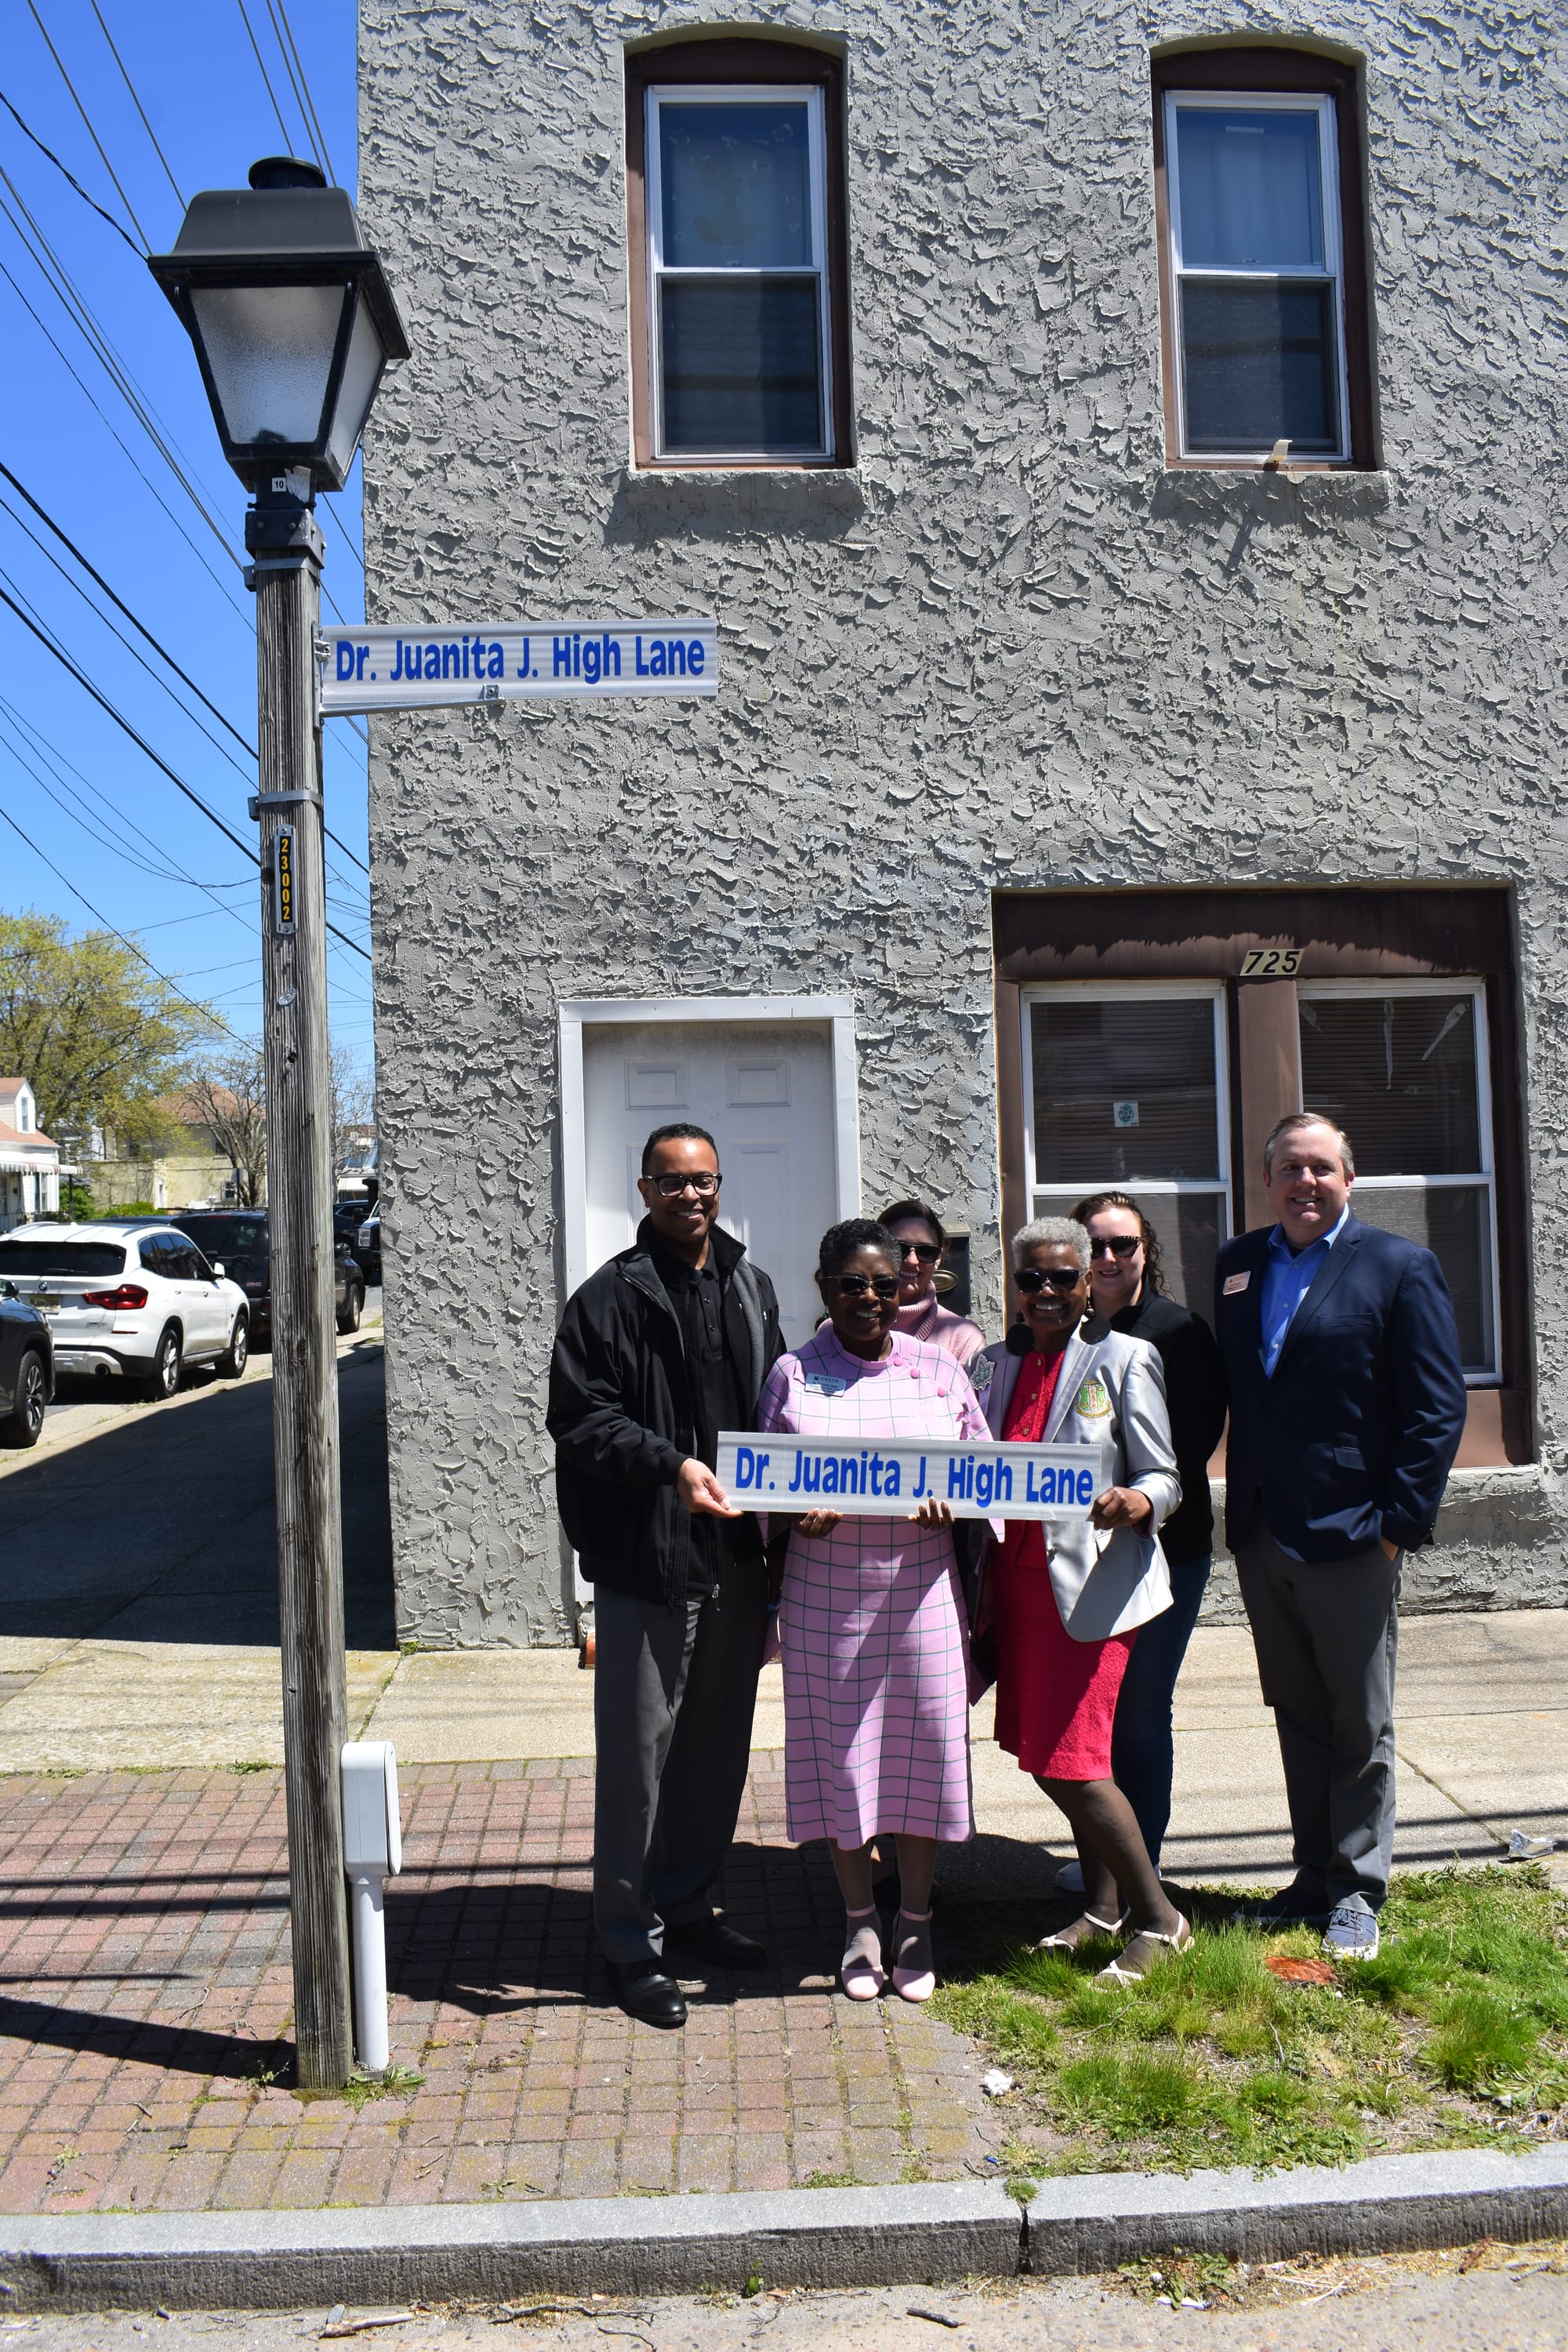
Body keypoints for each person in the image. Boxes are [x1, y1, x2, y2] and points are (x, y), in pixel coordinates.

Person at [546, 1122, 783, 2029]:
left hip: (737, 1555)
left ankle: (686, 1908)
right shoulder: (607, 1298)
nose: (692, 1196)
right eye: (672, 1182)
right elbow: (578, 1416)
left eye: (705, 1181)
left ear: (720, 1187)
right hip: (648, 1558)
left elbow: (774, 1403)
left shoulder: (751, 1285)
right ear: (644, 1191)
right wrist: (669, 1466)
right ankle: (626, 1943)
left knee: (715, 1748)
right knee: (638, 1763)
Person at [1214, 1112, 1467, 1962]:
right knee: (1295, 1713)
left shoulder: (1398, 1267)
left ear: (1348, 1179)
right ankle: (1311, 1876)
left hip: (1354, 1535)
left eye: (1320, 1168)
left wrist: (1397, 1526)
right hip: (1261, 1533)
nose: (1304, 1183)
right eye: (1288, 1168)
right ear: (1266, 1181)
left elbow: (1435, 1409)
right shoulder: (1237, 1265)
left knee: (1358, 1721)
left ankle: (1358, 1891)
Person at [756, 1218, 985, 2004]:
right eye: (851, 1284)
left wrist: (952, 1504)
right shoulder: (792, 1373)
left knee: (923, 1752)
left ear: (906, 1289)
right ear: (824, 1288)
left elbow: (982, 1475)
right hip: (826, 1604)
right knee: (842, 1761)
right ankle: (859, 1921)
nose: (868, 1299)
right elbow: (760, 1485)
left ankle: (914, 1920)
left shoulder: (936, 1372)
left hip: (919, 1596)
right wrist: (793, 1513)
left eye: (883, 1285)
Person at [973, 1218, 1190, 1983]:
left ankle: (1159, 1920)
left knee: (1074, 1762)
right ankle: (1101, 1911)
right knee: (1046, 1756)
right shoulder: (991, 1366)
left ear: (1084, 1281)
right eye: (1030, 1278)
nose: (1045, 1292)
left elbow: (1166, 1474)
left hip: (1092, 1593)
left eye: (1061, 1277)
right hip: (1019, 1592)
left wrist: (1136, 1500)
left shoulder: (1125, 1358)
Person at [1049, 1192, 1228, 1887]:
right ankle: (1103, 1859)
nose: (1110, 1258)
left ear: (1145, 1252)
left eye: (1124, 1245)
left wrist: (1130, 1498)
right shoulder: (1060, 1330)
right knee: (1094, 1712)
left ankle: (1140, 1864)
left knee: (1142, 1707)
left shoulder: (1178, 1332)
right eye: (1095, 1246)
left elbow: (1187, 1449)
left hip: (1163, 1551)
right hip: (1079, 1556)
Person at [880, 1198, 987, 1368]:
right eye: (899, 1248)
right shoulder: (844, 1328)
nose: (912, 1260)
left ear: (938, 1258)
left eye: (926, 1252)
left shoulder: (963, 1339)